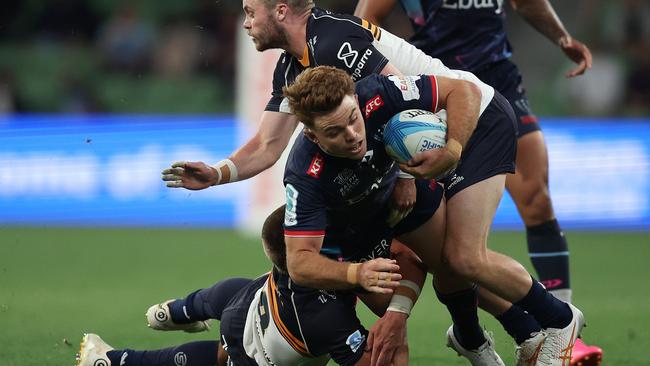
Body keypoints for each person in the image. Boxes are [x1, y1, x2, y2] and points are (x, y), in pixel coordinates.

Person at [280, 65, 585, 366]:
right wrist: (356, 274)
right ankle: (475, 336)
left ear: (357, 102)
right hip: (357, 232)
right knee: (393, 309)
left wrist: (449, 152)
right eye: (334, 132)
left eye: (353, 119)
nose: (352, 135)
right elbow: (299, 262)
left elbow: (463, 90)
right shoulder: (305, 175)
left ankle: (554, 320)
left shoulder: (377, 93)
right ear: (312, 134)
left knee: (460, 260)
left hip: (402, 197)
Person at [353, 1, 601, 364]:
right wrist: (389, 97)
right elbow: (364, 25)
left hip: (496, 80)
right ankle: (476, 332)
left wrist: (561, 37)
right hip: (437, 93)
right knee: (449, 250)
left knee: (535, 200)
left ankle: (560, 329)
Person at [75, 205, 425, 366]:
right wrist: (397, 318)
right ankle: (113, 361)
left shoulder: (306, 264)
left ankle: (172, 312)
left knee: (225, 294)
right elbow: (384, 357)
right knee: (221, 354)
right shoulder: (326, 315)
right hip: (256, 348)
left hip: (255, 297)